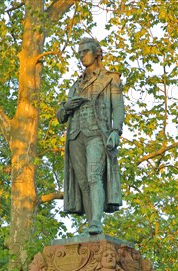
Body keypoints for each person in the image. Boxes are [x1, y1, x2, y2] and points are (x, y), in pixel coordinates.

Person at [57, 37, 125, 235]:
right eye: (78, 53)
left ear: (96, 53)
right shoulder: (76, 85)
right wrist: (67, 106)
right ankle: (90, 226)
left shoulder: (110, 78)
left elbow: (118, 107)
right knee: (83, 182)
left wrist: (116, 130)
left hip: (97, 133)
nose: (81, 56)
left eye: (84, 51)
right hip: (75, 136)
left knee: (93, 175)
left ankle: (96, 221)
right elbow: (61, 116)